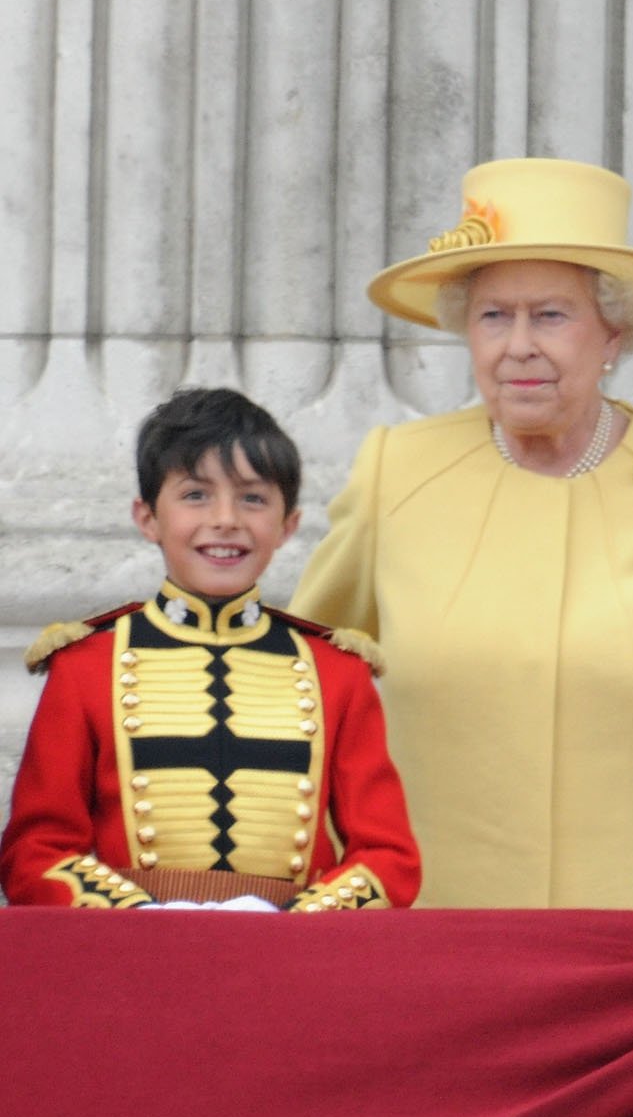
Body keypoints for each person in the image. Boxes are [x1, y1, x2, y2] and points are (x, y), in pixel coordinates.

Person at [291, 158, 633, 909]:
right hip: (430, 919)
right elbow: (306, 688)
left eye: (551, 315)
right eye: (495, 315)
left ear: (613, 334)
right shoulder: (396, 471)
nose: (518, 345)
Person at [5, 388, 419, 911]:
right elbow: (36, 851)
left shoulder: (337, 672)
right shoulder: (86, 666)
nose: (226, 519)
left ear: (288, 524)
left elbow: (388, 855)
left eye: (253, 498)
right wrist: (137, 916)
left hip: (294, 953)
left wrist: (296, 920)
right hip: (128, 951)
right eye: (196, 495)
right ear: (147, 517)